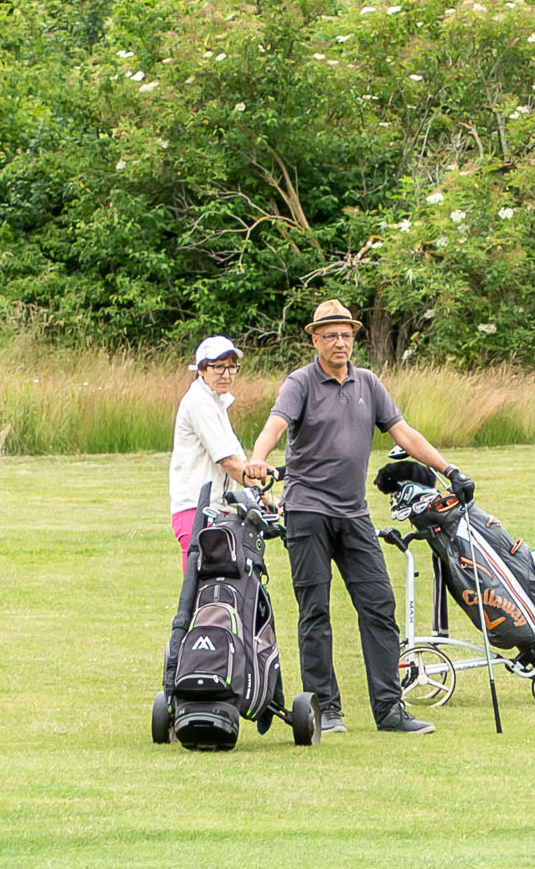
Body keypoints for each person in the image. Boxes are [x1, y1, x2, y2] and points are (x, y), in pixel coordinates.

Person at [247, 298, 462, 736]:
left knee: (379, 605)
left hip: (354, 514)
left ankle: (390, 710)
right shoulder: (301, 382)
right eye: (331, 336)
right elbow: (276, 423)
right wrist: (256, 459)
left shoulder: (368, 382)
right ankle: (324, 710)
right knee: (315, 611)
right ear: (314, 339)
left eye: (346, 335)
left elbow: (404, 432)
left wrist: (450, 471)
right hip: (307, 511)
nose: (340, 342)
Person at [168, 333, 268, 638]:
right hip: (196, 511)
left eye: (231, 367)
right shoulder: (199, 402)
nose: (226, 374)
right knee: (201, 597)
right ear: (201, 369)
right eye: (218, 367)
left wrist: (261, 497)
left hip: (218, 511)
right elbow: (228, 461)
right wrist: (257, 492)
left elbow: (237, 459)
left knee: (221, 595)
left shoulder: (215, 404)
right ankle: (195, 665)